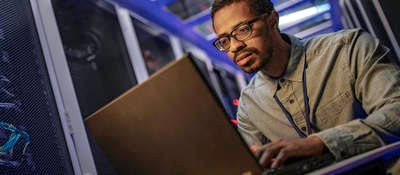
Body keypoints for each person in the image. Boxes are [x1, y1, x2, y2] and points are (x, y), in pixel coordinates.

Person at [210, 0, 400, 169]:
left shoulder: (347, 49)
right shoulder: (249, 107)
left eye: (243, 30)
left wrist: (319, 143)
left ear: (272, 20)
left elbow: (396, 112)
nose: (234, 47)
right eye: (224, 40)